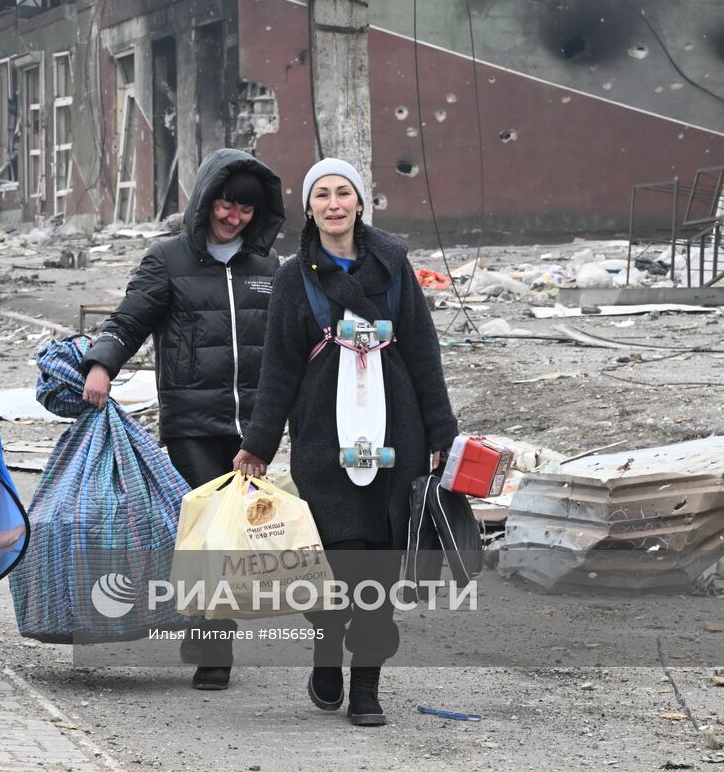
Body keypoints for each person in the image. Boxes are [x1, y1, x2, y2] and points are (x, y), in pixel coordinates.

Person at [233, 157, 458, 726]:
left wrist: (440, 434)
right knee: (337, 566)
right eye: (322, 196)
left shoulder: (395, 265)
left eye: (343, 194)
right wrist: (258, 443)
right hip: (321, 441)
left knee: (379, 571)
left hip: (395, 436)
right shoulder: (294, 276)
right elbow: (279, 368)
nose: (334, 205)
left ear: (361, 202)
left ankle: (367, 690)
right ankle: (328, 643)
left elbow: (423, 354)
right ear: (308, 209)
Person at [81, 147, 285, 691]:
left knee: (233, 532)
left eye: (244, 209)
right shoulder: (168, 259)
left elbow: (293, 345)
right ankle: (216, 650)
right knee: (212, 526)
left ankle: (206, 628)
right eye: (225, 203)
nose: (233, 217)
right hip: (193, 420)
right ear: (206, 200)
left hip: (256, 423)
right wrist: (101, 364)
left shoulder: (269, 268)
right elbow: (131, 318)